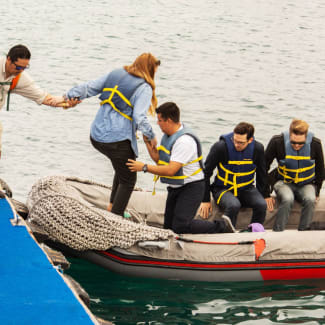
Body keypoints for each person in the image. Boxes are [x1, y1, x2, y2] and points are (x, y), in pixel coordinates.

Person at [64, 53, 160, 217]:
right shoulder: (144, 87)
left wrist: (70, 95)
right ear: (150, 69)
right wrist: (151, 136)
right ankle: (115, 219)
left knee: (122, 167)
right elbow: (139, 117)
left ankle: (111, 207)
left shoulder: (115, 73)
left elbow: (89, 87)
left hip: (97, 136)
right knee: (129, 179)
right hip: (117, 140)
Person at [127, 102, 235, 234]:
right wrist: (148, 143)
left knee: (181, 226)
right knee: (168, 227)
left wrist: (143, 167)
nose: (158, 123)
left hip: (192, 186)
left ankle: (222, 226)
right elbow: (160, 160)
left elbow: (171, 170)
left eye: (160, 120)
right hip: (176, 187)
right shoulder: (169, 136)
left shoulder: (184, 141)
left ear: (169, 121)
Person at [0, 44, 69, 158]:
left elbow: (43, 97)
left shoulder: (19, 77)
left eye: (24, 68)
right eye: (18, 67)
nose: (20, 71)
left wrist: (67, 102)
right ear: (8, 59)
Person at [199, 122, 268, 229]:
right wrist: (205, 199)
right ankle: (226, 232)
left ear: (250, 140)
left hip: (246, 189)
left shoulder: (257, 149)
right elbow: (205, 173)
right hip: (222, 189)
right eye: (234, 140)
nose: (236, 145)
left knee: (261, 204)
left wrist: (265, 195)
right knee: (234, 205)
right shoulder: (220, 147)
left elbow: (261, 174)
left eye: (241, 142)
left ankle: (254, 231)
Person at [265, 119, 324, 231]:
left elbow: (321, 169)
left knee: (310, 199)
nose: (296, 146)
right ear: (289, 135)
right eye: (293, 142)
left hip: (306, 183)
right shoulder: (277, 142)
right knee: (288, 199)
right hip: (283, 182)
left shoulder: (315, 144)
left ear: (306, 137)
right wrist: (265, 193)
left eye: (301, 143)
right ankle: (278, 231)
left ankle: (303, 232)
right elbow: (264, 167)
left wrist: (317, 190)